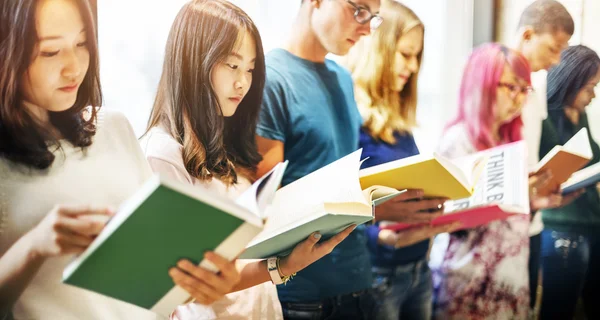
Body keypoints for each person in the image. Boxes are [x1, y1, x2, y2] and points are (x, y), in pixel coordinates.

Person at [140, 1, 354, 319]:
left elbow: (235, 264)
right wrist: (280, 267)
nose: (243, 82)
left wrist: (285, 262)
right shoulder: (163, 155)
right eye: (232, 64)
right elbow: (180, 285)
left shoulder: (224, 141)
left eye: (251, 69)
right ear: (193, 62)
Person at [0, 0, 158, 318]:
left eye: (81, 43)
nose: (74, 67)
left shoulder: (114, 128)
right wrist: (35, 246)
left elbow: (155, 251)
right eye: (50, 51)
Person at [343, 1, 458, 319]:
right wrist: (377, 235)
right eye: (406, 54)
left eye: (417, 56)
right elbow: (338, 207)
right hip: (380, 275)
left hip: (419, 270)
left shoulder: (398, 122)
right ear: (379, 50)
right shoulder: (350, 119)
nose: (413, 67)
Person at [432, 43, 534, 319]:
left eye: (524, 89)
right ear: (483, 85)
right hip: (468, 282)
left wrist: (535, 199)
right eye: (510, 87)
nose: (518, 98)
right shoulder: (458, 141)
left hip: (509, 280)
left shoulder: (507, 139)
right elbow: (442, 216)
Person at [509, 0, 582, 311]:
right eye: (553, 49)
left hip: (532, 222)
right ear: (527, 35)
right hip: (501, 226)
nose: (555, 62)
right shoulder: (497, 87)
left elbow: (539, 154)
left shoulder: (533, 90)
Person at [538, 45, 600, 320]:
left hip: (591, 224)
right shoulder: (545, 119)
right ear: (571, 83)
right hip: (561, 230)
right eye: (589, 88)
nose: (593, 95)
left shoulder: (581, 116)